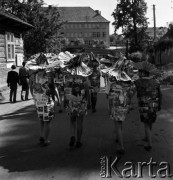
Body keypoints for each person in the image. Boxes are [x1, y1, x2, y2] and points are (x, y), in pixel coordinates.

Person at [134, 65, 162, 151]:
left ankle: (149, 144)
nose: (138, 73)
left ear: (143, 73)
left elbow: (132, 90)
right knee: (149, 122)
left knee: (146, 124)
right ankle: (147, 136)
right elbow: (160, 94)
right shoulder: (156, 82)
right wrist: (159, 104)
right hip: (154, 105)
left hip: (144, 106)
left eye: (139, 72)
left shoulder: (138, 82)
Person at [32, 70, 55, 146]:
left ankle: (41, 136)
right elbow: (52, 91)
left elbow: (34, 92)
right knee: (47, 122)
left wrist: (35, 102)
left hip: (39, 103)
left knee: (41, 121)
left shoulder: (36, 79)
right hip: (47, 103)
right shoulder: (48, 79)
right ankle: (46, 140)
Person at [66, 76, 88, 148]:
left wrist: (66, 103)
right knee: (80, 122)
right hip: (81, 103)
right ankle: (78, 141)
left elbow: (66, 93)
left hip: (72, 103)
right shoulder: (84, 81)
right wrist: (88, 103)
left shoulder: (69, 81)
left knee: (72, 121)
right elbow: (87, 93)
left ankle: (72, 135)